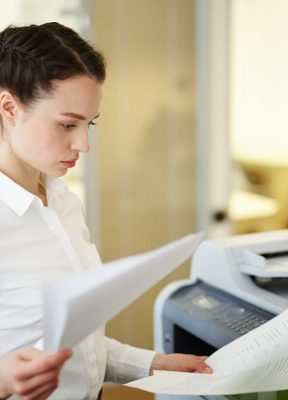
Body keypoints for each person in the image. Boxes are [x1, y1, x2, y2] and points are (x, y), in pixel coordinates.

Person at [0, 22, 212, 400]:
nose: (83, 144)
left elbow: (78, 342)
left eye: (88, 125)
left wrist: (151, 364)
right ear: (9, 107)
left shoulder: (63, 202)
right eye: (67, 124)